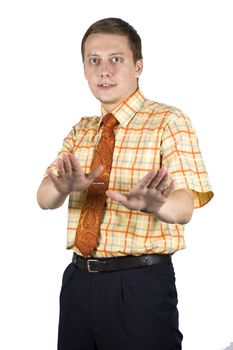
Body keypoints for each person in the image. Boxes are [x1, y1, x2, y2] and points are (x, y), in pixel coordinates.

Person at [37, 17, 213, 350]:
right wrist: (61, 187)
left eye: (116, 59)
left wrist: (157, 204)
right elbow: (44, 198)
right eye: (94, 61)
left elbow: (185, 206)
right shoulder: (83, 129)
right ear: (85, 69)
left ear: (138, 66)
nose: (105, 70)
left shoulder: (168, 121)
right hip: (78, 282)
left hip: (138, 286)